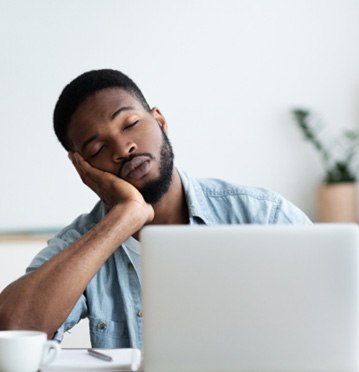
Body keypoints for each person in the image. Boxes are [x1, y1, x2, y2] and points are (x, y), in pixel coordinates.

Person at [0, 69, 311, 348]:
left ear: (160, 121)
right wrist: (125, 217)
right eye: (97, 149)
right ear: (82, 166)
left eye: (130, 124)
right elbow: (11, 328)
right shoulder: (82, 243)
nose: (123, 149)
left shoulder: (260, 215)